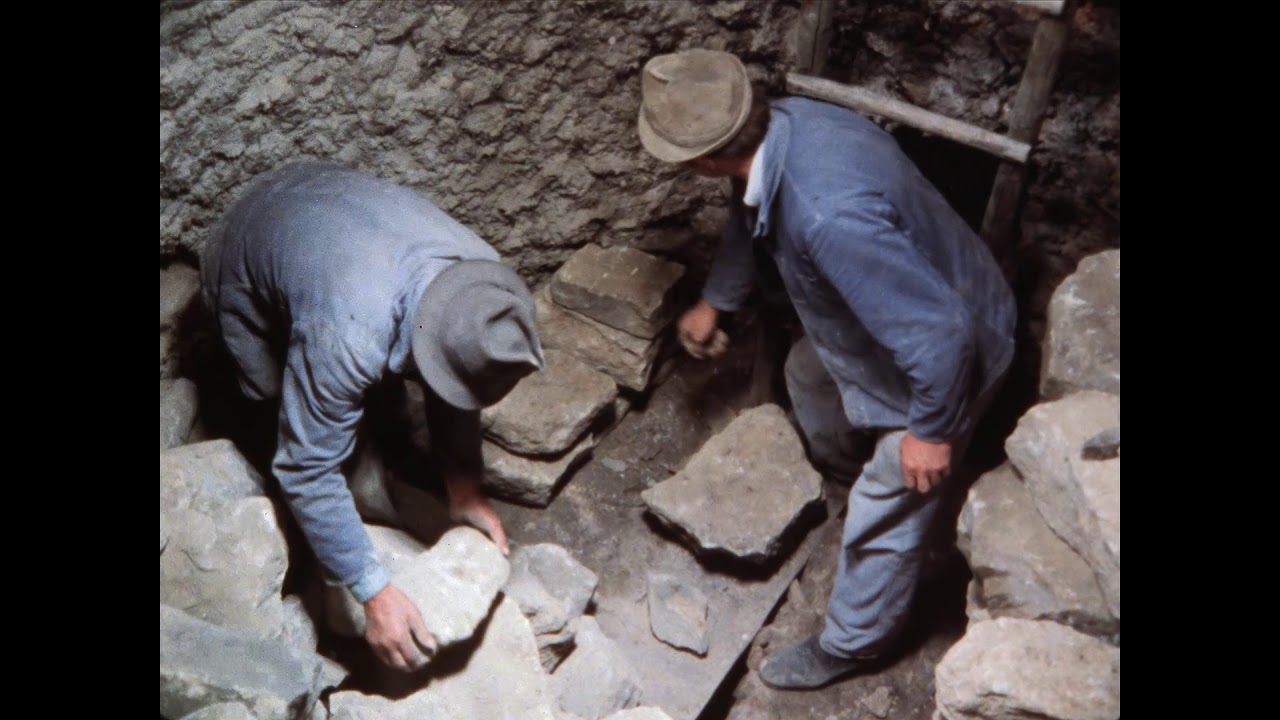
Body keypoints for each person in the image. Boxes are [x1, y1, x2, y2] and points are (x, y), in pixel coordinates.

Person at [636, 49, 1017, 689]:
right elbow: (747, 208)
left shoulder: (827, 215)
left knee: (894, 495)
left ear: (700, 160)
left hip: (956, 344)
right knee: (809, 379)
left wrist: (931, 432)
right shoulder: (785, 125)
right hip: (896, 312)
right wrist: (717, 300)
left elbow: (942, 334)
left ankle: (854, 642)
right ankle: (849, 478)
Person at [200, 160, 544, 673]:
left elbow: (456, 383)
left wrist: (464, 487)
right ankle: (304, 539)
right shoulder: (349, 334)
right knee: (272, 402)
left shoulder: (482, 276)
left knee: (353, 401)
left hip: (330, 211)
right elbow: (305, 467)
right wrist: (373, 590)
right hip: (248, 244)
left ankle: (355, 486)